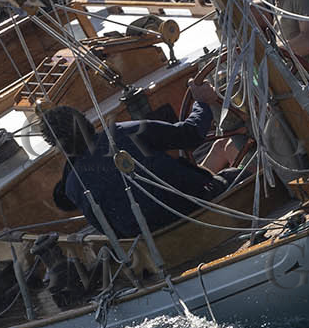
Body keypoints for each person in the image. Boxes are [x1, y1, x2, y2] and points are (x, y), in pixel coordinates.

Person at [39, 78, 243, 239]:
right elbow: (190, 134)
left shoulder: (73, 186)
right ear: (85, 120)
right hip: (198, 206)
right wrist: (201, 102)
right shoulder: (124, 132)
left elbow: (111, 232)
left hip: (158, 243)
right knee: (239, 175)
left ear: (56, 147)